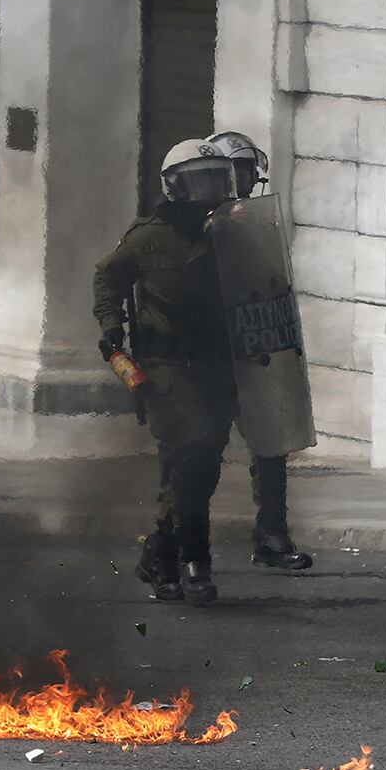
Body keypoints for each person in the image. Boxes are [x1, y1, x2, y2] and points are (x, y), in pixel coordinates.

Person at [93, 140, 242, 606]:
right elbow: (108, 279)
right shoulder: (150, 235)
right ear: (175, 187)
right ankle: (196, 561)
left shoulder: (232, 231)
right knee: (194, 446)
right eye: (200, 181)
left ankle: (160, 554)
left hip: (219, 363)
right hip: (167, 364)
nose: (210, 192)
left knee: (197, 465)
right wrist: (112, 326)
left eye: (218, 180)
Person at [205, 128, 312, 572]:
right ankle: (169, 549)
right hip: (209, 358)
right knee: (199, 455)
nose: (245, 183)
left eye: (249, 173)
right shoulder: (195, 222)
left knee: (271, 446)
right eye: (237, 173)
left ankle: (272, 535)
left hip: (253, 352)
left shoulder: (254, 220)